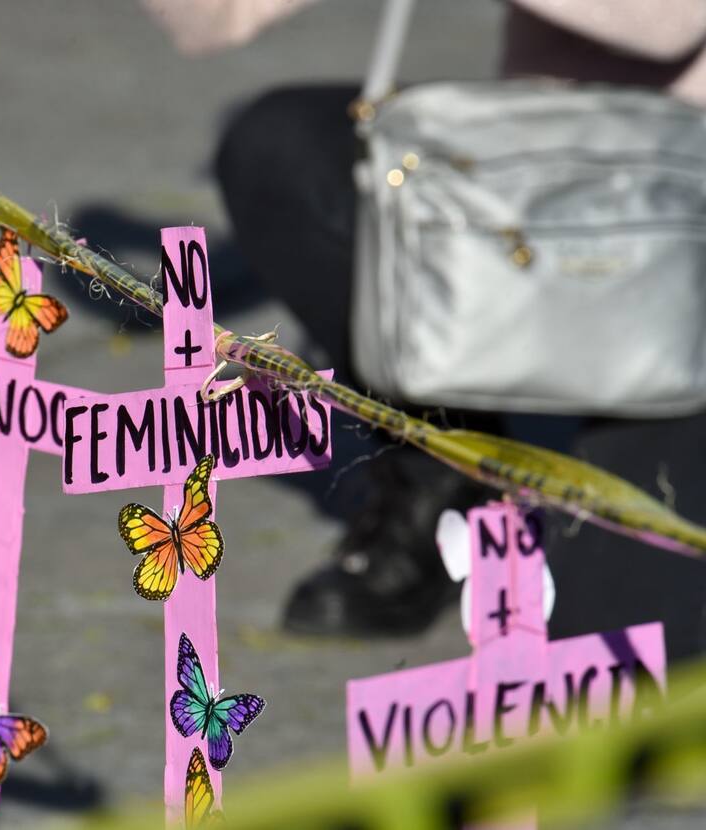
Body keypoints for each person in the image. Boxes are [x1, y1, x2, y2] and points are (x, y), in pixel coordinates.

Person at [139, 0, 706, 654]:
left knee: (622, 662)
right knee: (280, 147)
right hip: (548, 166)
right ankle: (446, 475)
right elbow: (213, 21)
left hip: (686, 230)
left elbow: (668, 22)